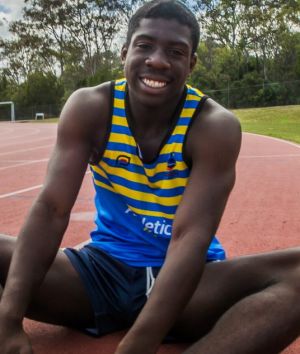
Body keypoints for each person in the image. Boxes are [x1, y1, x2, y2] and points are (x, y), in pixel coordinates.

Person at [0, 1, 299, 353]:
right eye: (144, 46)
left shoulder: (213, 127)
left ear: (191, 64)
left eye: (175, 51)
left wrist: (138, 345)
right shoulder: (92, 107)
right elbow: (51, 209)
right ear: (125, 52)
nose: (157, 60)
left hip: (187, 287)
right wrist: (8, 321)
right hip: (100, 274)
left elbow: (190, 238)